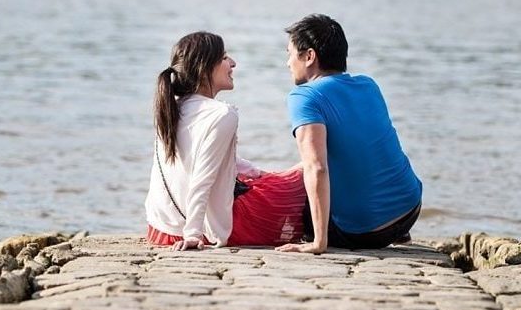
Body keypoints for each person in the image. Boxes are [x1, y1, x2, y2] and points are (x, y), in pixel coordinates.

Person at [145, 31, 307, 251]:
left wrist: (258, 172)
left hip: (161, 229)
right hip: (203, 229)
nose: (233, 63)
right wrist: (192, 234)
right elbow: (203, 176)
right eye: (224, 58)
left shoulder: (173, 107)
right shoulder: (221, 114)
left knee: (288, 174)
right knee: (304, 181)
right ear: (204, 69)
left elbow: (205, 157)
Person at [276, 14, 423, 254]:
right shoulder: (369, 84)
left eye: (290, 54)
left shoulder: (304, 96)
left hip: (364, 232)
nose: (288, 62)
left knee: (298, 199)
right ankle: (396, 229)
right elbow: (356, 147)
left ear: (309, 56)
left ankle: (320, 236)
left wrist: (318, 243)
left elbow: (317, 168)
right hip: (409, 210)